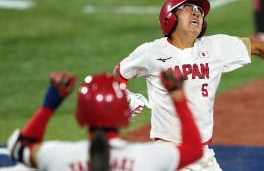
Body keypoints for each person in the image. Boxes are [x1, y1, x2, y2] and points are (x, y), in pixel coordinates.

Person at [113, 0, 264, 171]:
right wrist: (124, 96)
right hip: (170, 154)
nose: (197, 12)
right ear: (169, 17)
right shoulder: (151, 52)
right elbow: (120, 73)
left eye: (200, 11)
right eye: (188, 8)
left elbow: (258, 47)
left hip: (203, 154)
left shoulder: (215, 46)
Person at [6, 70, 204, 171]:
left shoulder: (56, 155)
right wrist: (177, 96)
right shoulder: (151, 157)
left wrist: (49, 105)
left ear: (80, 115)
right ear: (125, 116)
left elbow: (20, 146)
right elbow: (194, 149)